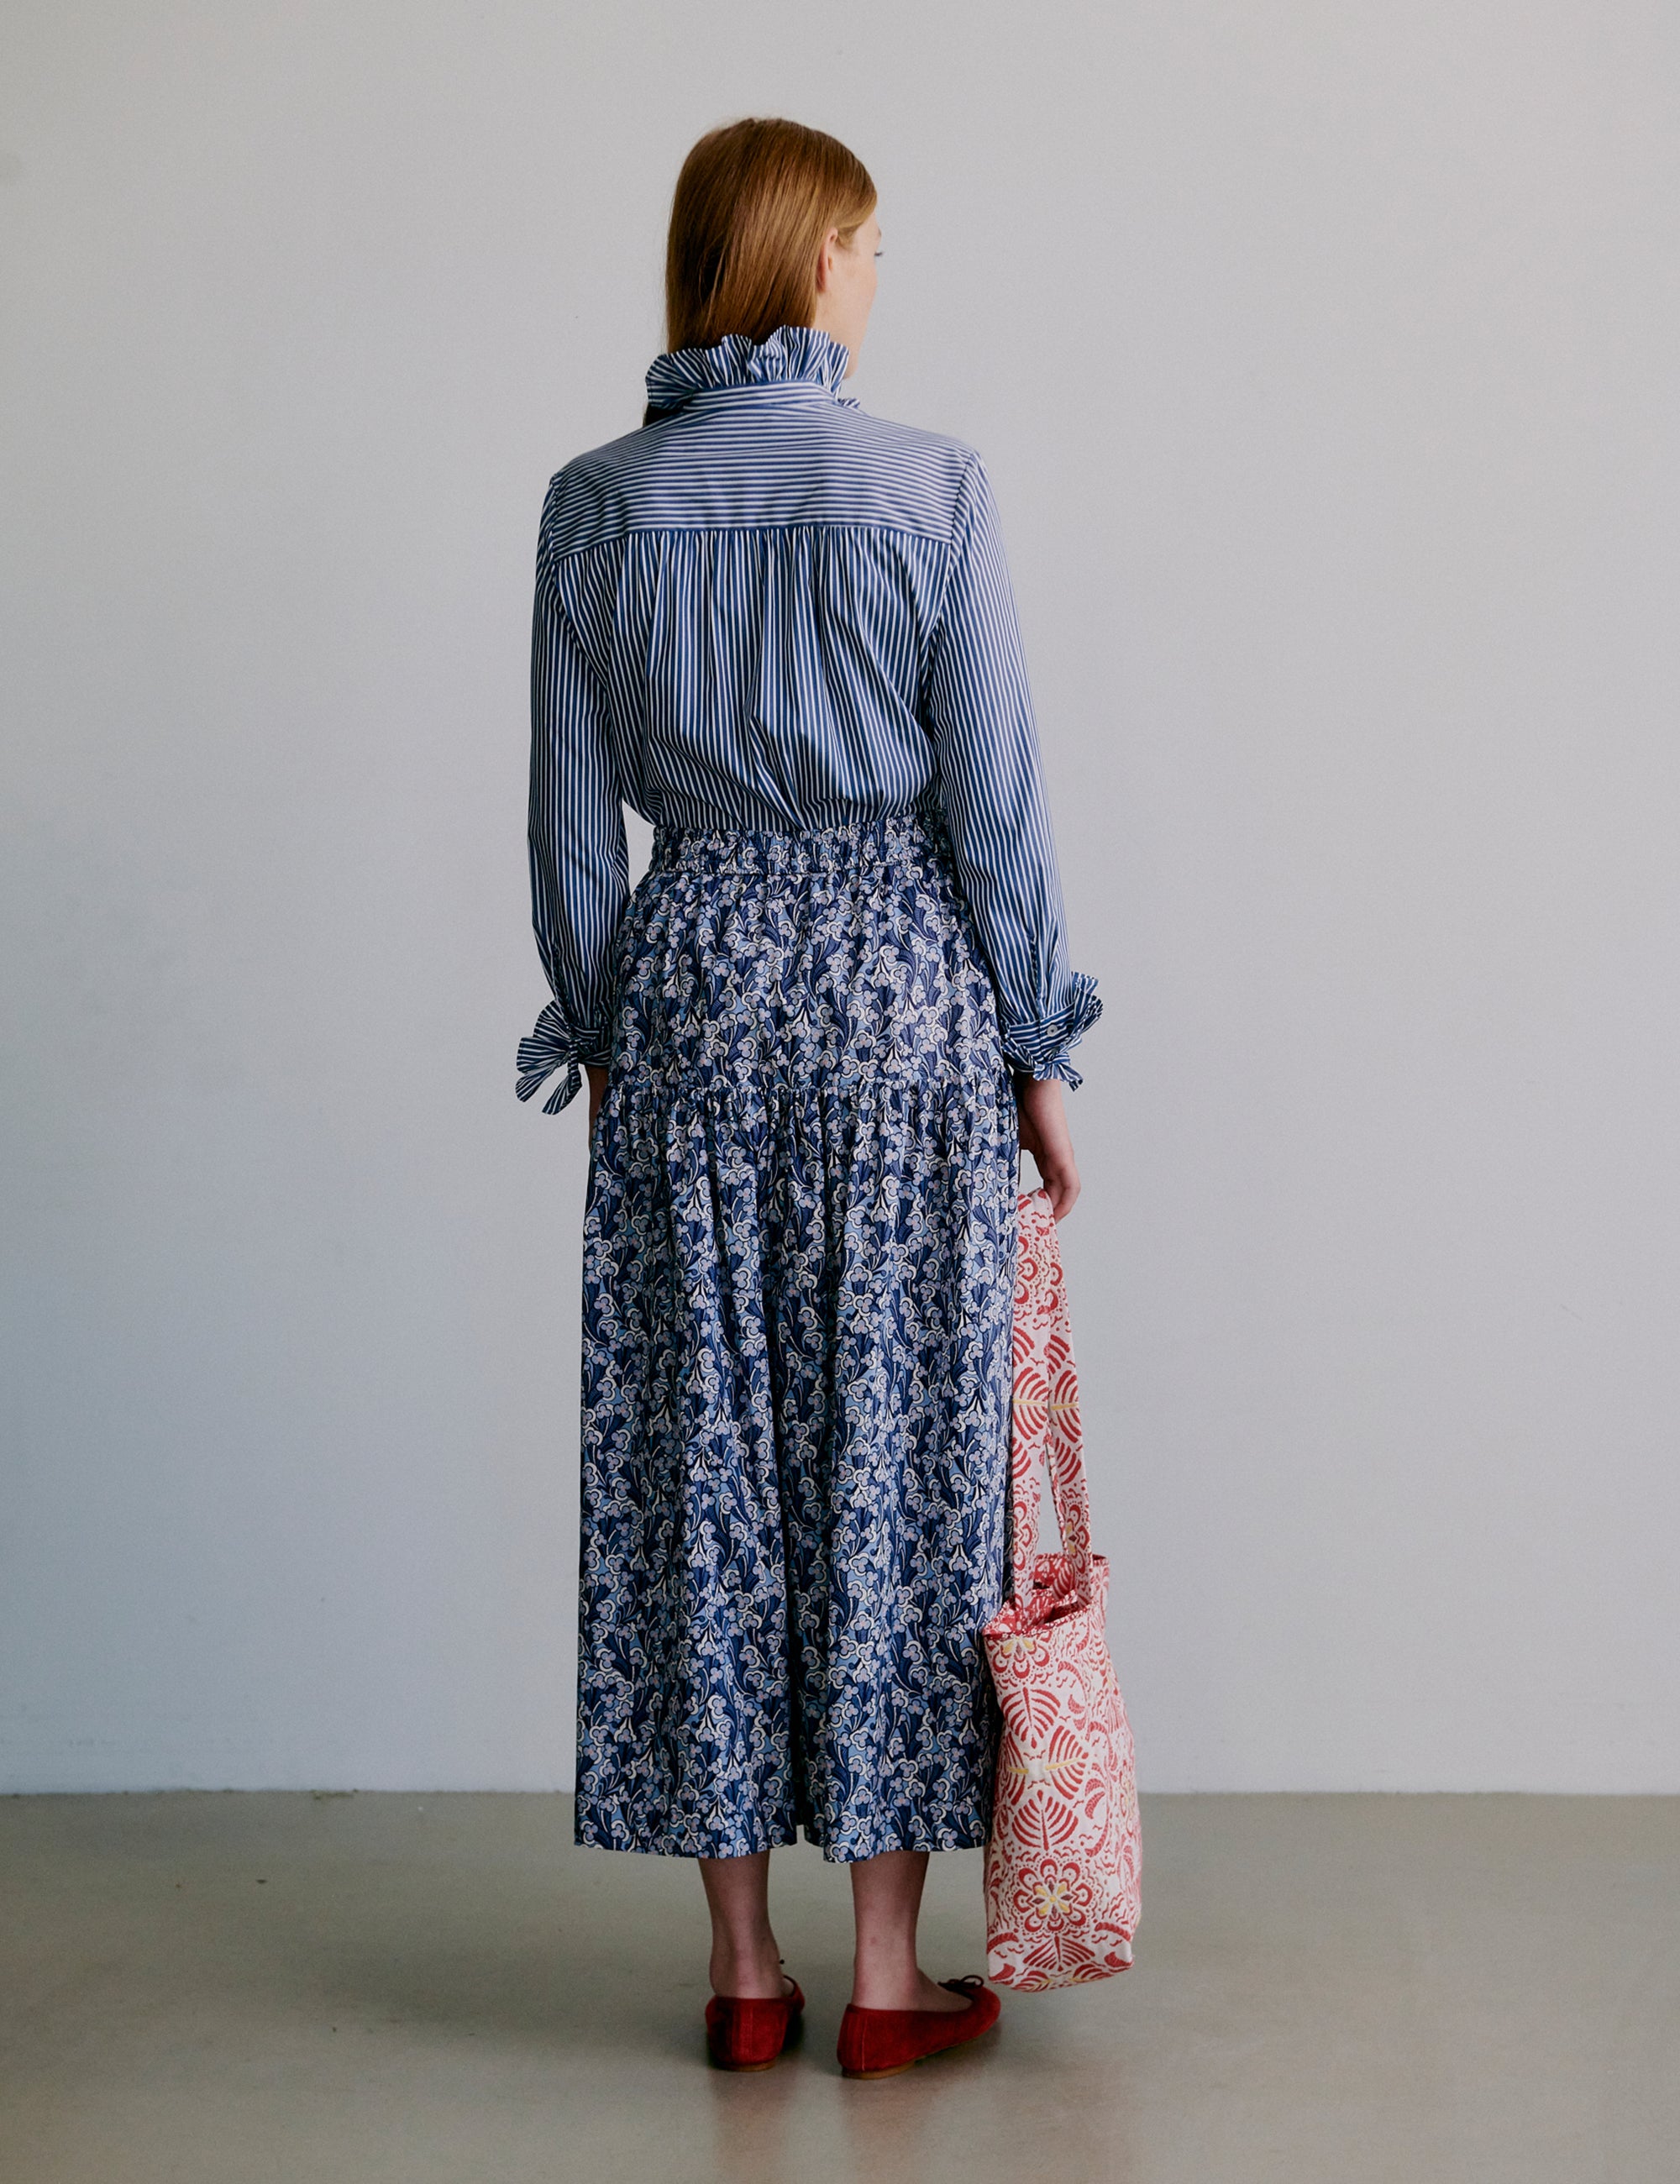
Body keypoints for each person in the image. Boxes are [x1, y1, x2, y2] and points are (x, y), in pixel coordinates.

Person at [516, 116, 1100, 2079]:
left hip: (689, 1004)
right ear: (811, 257)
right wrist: (1036, 1046)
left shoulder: (594, 503)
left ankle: (743, 1971)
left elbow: (567, 827)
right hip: (900, 1003)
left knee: (704, 1476)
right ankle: (880, 1975)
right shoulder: (930, 487)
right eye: (866, 243)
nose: (876, 276)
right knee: (894, 1474)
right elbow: (995, 802)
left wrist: (606, 1039)